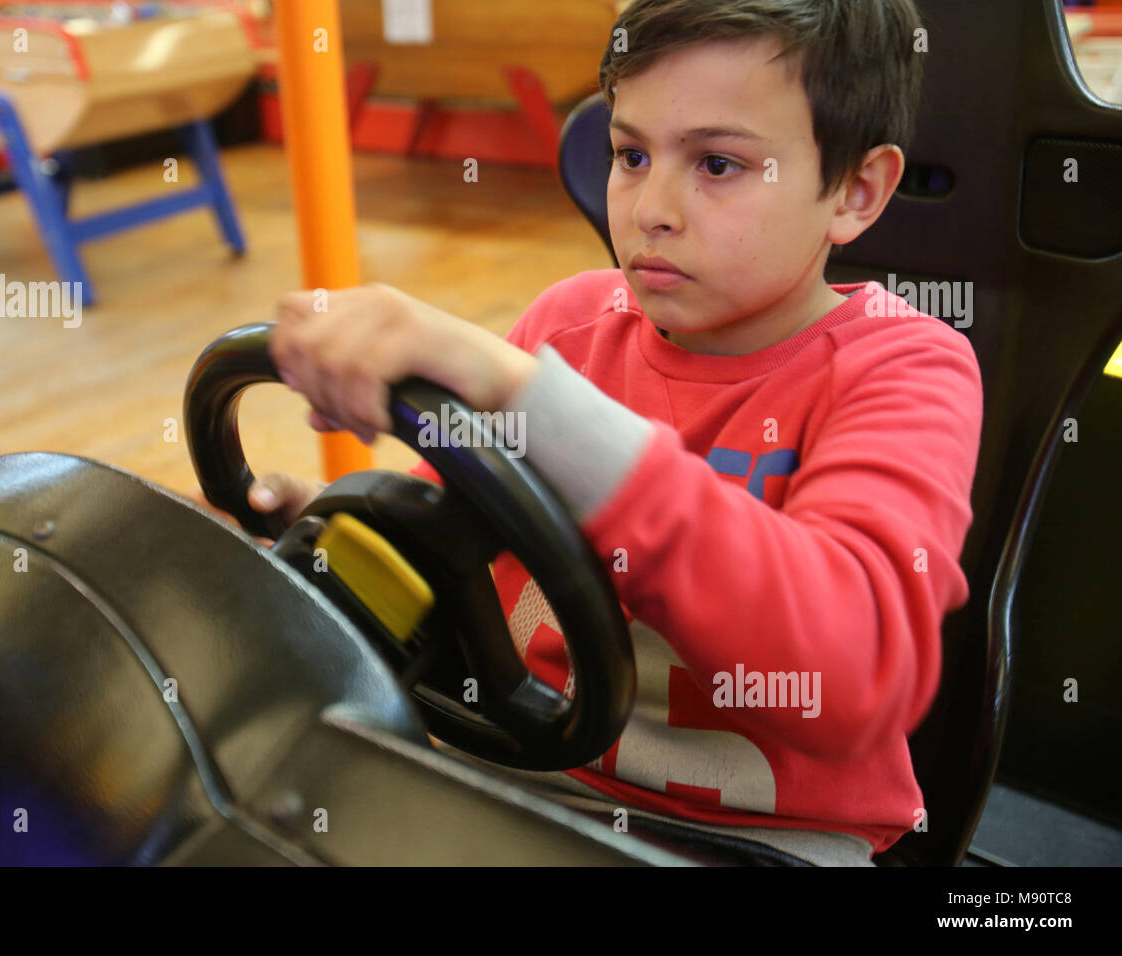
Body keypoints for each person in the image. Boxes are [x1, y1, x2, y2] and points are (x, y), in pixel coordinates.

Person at [242, 0, 982, 865]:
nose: (651, 209)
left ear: (855, 191)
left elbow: (853, 674)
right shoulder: (567, 327)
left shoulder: (904, 368)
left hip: (765, 844)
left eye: (717, 163)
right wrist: (332, 539)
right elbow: (452, 554)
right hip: (512, 782)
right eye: (631, 155)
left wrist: (531, 401)